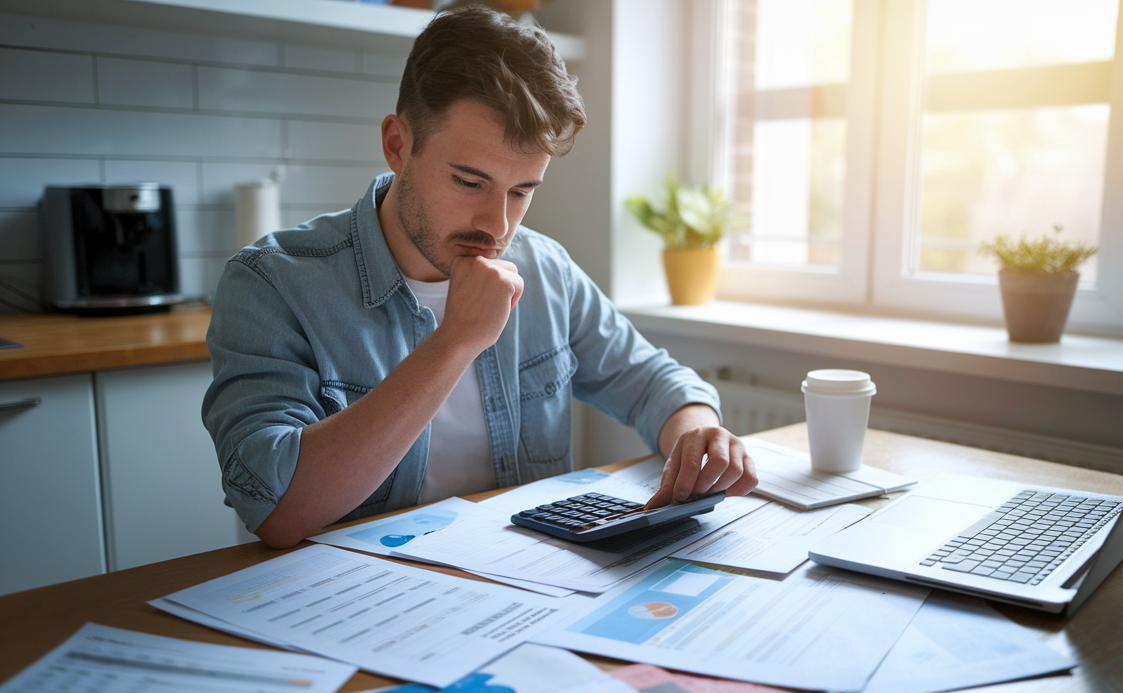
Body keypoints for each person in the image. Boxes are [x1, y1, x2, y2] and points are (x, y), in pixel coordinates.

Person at [202, 6, 757, 549]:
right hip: (356, 610)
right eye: (470, 182)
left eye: (522, 191)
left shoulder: (545, 269)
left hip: (522, 592)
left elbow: (654, 383)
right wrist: (456, 340)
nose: (498, 225)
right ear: (398, 144)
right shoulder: (271, 283)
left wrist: (697, 433)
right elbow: (275, 511)